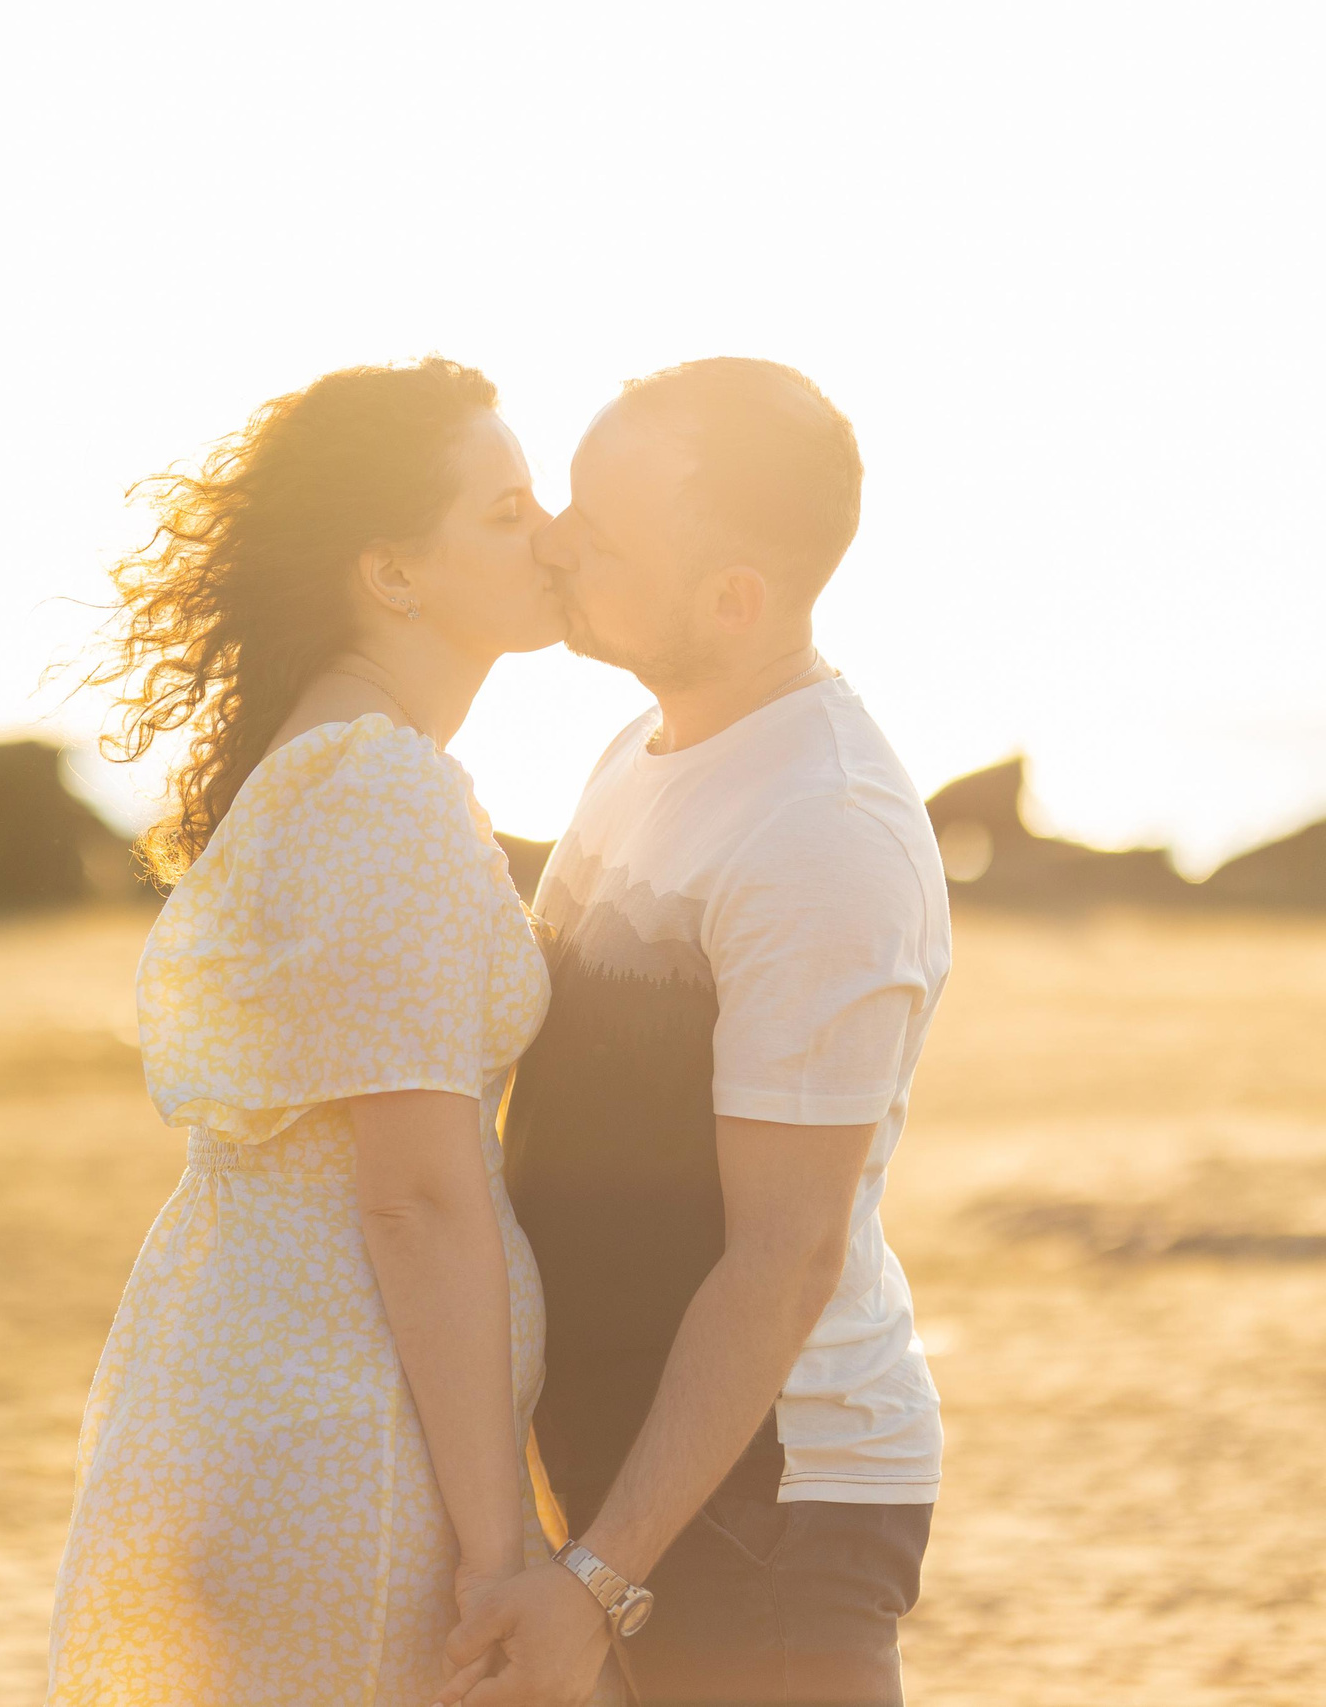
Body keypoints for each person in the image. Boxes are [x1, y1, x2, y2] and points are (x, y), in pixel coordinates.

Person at [44, 357, 566, 1705]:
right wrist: (499, 1550)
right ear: (393, 574)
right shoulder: (375, 786)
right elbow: (414, 1195)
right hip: (351, 1434)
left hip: (300, 1395)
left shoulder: (351, 760)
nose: (551, 534)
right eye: (505, 511)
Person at [442, 359, 948, 1707]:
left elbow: (786, 1256)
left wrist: (599, 1577)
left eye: (601, 534)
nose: (555, 540)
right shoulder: (643, 749)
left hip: (766, 1500)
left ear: (735, 599)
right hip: (641, 1472)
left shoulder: (823, 831)